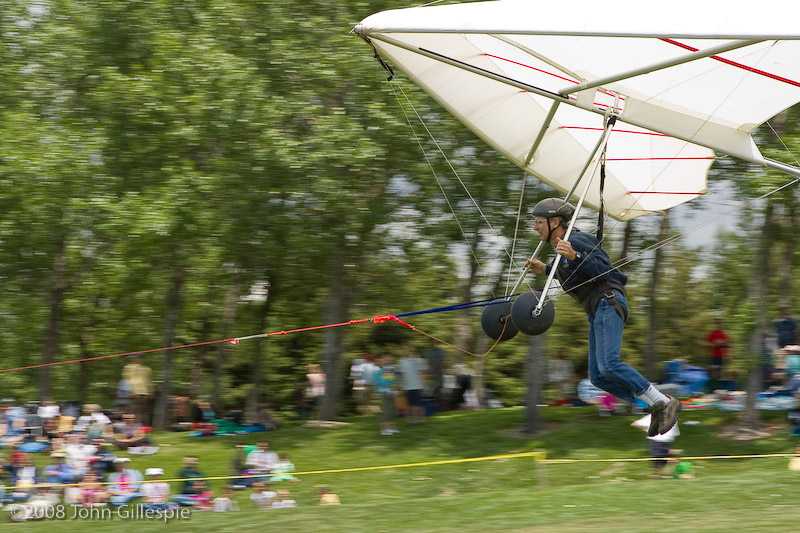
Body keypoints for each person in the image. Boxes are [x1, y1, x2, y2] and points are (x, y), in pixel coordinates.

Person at [524, 198, 680, 436]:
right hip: (596, 310)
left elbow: (604, 268)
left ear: (555, 221)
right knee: (598, 376)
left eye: (538, 222)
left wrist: (576, 255)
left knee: (609, 365)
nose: (535, 227)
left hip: (608, 301)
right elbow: (575, 276)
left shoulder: (576, 240)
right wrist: (546, 269)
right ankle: (654, 403)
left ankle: (663, 401)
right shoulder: (562, 251)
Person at [398, 346, 428, 424]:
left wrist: (423, 385)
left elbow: (422, 374)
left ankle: (419, 419)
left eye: (410, 350)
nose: (408, 352)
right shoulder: (402, 361)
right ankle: (410, 420)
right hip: (407, 386)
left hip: (417, 386)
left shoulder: (419, 360)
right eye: (406, 350)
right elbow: (402, 375)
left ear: (414, 351)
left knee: (418, 405)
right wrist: (402, 385)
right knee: (409, 405)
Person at [122, 353, 154, 426]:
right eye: (135, 358)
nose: (137, 359)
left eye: (139, 358)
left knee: (144, 411)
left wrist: (151, 391)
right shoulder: (128, 368)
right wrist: (130, 391)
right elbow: (127, 380)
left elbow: (149, 381)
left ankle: (144, 427)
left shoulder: (147, 369)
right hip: (134, 391)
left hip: (145, 392)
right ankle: (135, 427)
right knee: (135, 410)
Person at [374, 355, 399, 435]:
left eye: (386, 360)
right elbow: (379, 382)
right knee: (387, 411)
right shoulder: (377, 372)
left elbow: (394, 379)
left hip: (391, 392)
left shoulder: (391, 370)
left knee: (392, 410)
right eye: (383, 361)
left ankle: (392, 428)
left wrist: (391, 380)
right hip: (383, 392)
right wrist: (387, 382)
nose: (385, 362)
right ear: (380, 362)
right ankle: (385, 429)